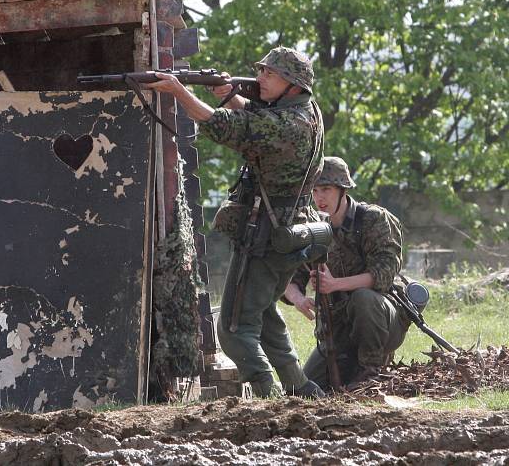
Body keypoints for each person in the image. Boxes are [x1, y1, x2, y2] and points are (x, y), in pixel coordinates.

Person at [145, 47, 325, 398]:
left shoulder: (289, 125)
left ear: (292, 84)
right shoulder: (306, 113)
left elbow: (227, 127)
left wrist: (180, 91)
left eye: (269, 74)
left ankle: (267, 396)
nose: (260, 79)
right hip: (287, 232)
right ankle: (301, 388)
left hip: (267, 236)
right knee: (263, 315)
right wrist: (230, 96)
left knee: (233, 329)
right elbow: (257, 124)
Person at [283, 156, 409, 390]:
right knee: (302, 390)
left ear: (343, 190)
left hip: (382, 321)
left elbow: (383, 273)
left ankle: (371, 371)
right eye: (315, 190)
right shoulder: (313, 229)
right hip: (338, 332)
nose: (319, 198)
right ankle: (352, 370)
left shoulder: (373, 219)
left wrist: (334, 284)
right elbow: (290, 278)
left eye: (326, 190)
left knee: (363, 297)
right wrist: (298, 298)